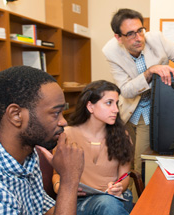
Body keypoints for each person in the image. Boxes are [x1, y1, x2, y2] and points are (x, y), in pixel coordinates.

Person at [102, 8, 174, 174]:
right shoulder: (111, 51)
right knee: (128, 163)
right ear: (118, 37)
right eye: (131, 34)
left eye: (140, 30)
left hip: (156, 109)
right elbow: (126, 90)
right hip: (130, 110)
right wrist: (149, 72)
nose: (138, 38)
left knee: (141, 164)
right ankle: (133, 196)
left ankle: (143, 196)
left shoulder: (157, 40)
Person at [0, 66, 84, 214]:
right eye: (55, 113)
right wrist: (69, 180)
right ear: (16, 115)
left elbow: (46, 210)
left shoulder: (26, 153)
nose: (63, 122)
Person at [52, 80, 134, 215]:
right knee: (108, 204)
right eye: (109, 103)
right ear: (90, 106)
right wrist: (59, 187)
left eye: (116, 103)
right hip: (80, 200)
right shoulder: (66, 135)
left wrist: (119, 187)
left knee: (109, 203)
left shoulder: (122, 135)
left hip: (115, 198)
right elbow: (56, 174)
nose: (116, 110)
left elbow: (124, 175)